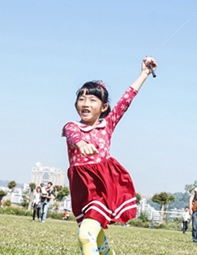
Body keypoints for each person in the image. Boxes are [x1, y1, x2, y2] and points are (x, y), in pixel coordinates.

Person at [62, 57, 157, 255]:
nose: (85, 103)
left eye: (92, 99)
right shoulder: (72, 126)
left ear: (104, 107)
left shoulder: (108, 124)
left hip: (102, 185)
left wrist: (144, 73)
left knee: (85, 236)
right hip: (81, 187)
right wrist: (80, 144)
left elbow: (126, 99)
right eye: (81, 99)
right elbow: (72, 136)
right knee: (94, 237)